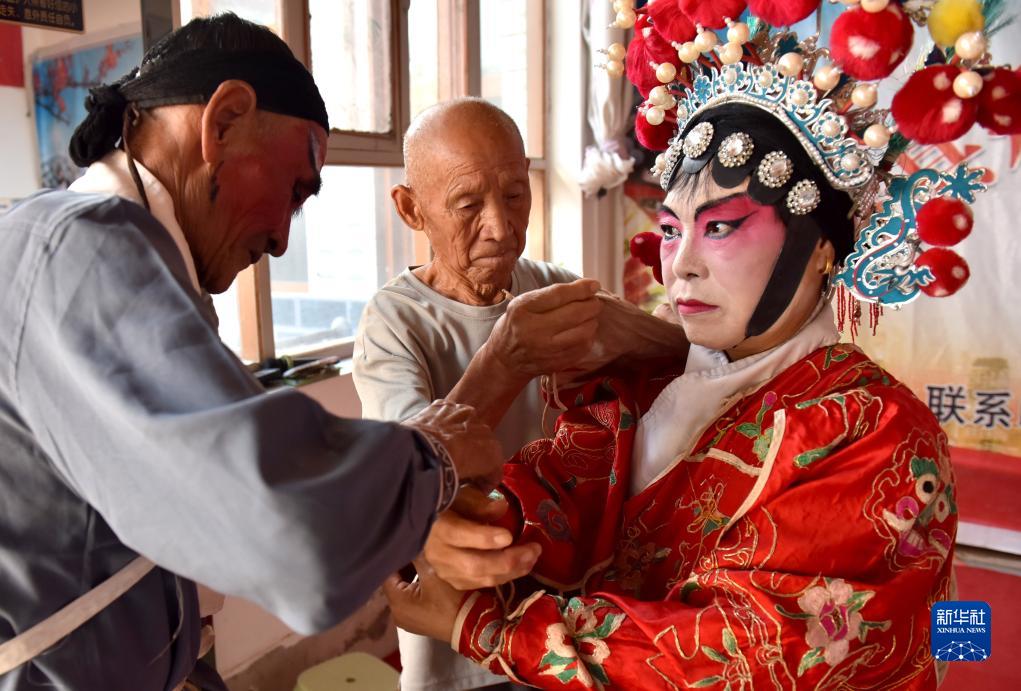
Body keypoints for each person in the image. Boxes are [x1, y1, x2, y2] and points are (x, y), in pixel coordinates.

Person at [383, 18, 972, 689]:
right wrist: (473, 526)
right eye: (670, 228)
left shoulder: (874, 430)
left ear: (819, 249)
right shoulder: (644, 387)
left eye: (719, 227)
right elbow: (557, 499)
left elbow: (750, 651)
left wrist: (485, 627)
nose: (681, 265)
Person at [0, 14, 504, 690]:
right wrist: (432, 456)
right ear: (226, 120)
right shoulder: (81, 248)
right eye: (294, 191)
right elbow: (287, 529)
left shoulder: (113, 256)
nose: (282, 240)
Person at [352, 97, 604, 690]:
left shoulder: (553, 289)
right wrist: (506, 360)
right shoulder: (395, 322)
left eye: (515, 195)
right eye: (468, 204)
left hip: (568, 614)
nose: (500, 225)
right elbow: (414, 470)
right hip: (459, 631)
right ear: (411, 209)